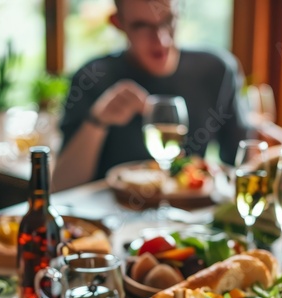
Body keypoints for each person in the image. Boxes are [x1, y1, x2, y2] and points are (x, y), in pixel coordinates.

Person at [53, 0, 255, 192]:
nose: (161, 39)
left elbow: (242, 163)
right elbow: (61, 187)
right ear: (118, 23)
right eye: (141, 26)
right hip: (110, 220)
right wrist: (97, 122)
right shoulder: (93, 76)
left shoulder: (216, 70)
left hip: (186, 217)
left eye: (168, 21)